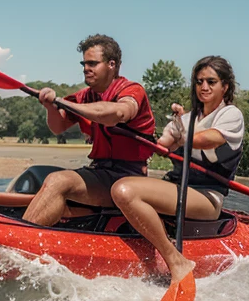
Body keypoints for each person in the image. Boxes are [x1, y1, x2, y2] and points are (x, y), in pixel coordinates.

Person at [110, 56, 244, 289]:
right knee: (121, 184)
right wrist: (156, 137)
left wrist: (181, 130)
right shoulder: (185, 119)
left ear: (225, 86)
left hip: (207, 196)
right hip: (178, 188)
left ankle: (176, 261)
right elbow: (163, 145)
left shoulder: (231, 116)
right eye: (199, 81)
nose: (204, 87)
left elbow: (204, 140)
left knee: (124, 191)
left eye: (211, 82)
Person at [22, 34, 156, 226]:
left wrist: (60, 101)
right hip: (100, 172)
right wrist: (50, 107)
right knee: (42, 177)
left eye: (92, 63)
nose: (86, 69)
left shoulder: (132, 90)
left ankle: (20, 241)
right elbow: (58, 127)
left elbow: (116, 113)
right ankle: (30, 231)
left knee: (59, 181)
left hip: (128, 178)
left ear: (112, 64)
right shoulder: (85, 96)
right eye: (84, 64)